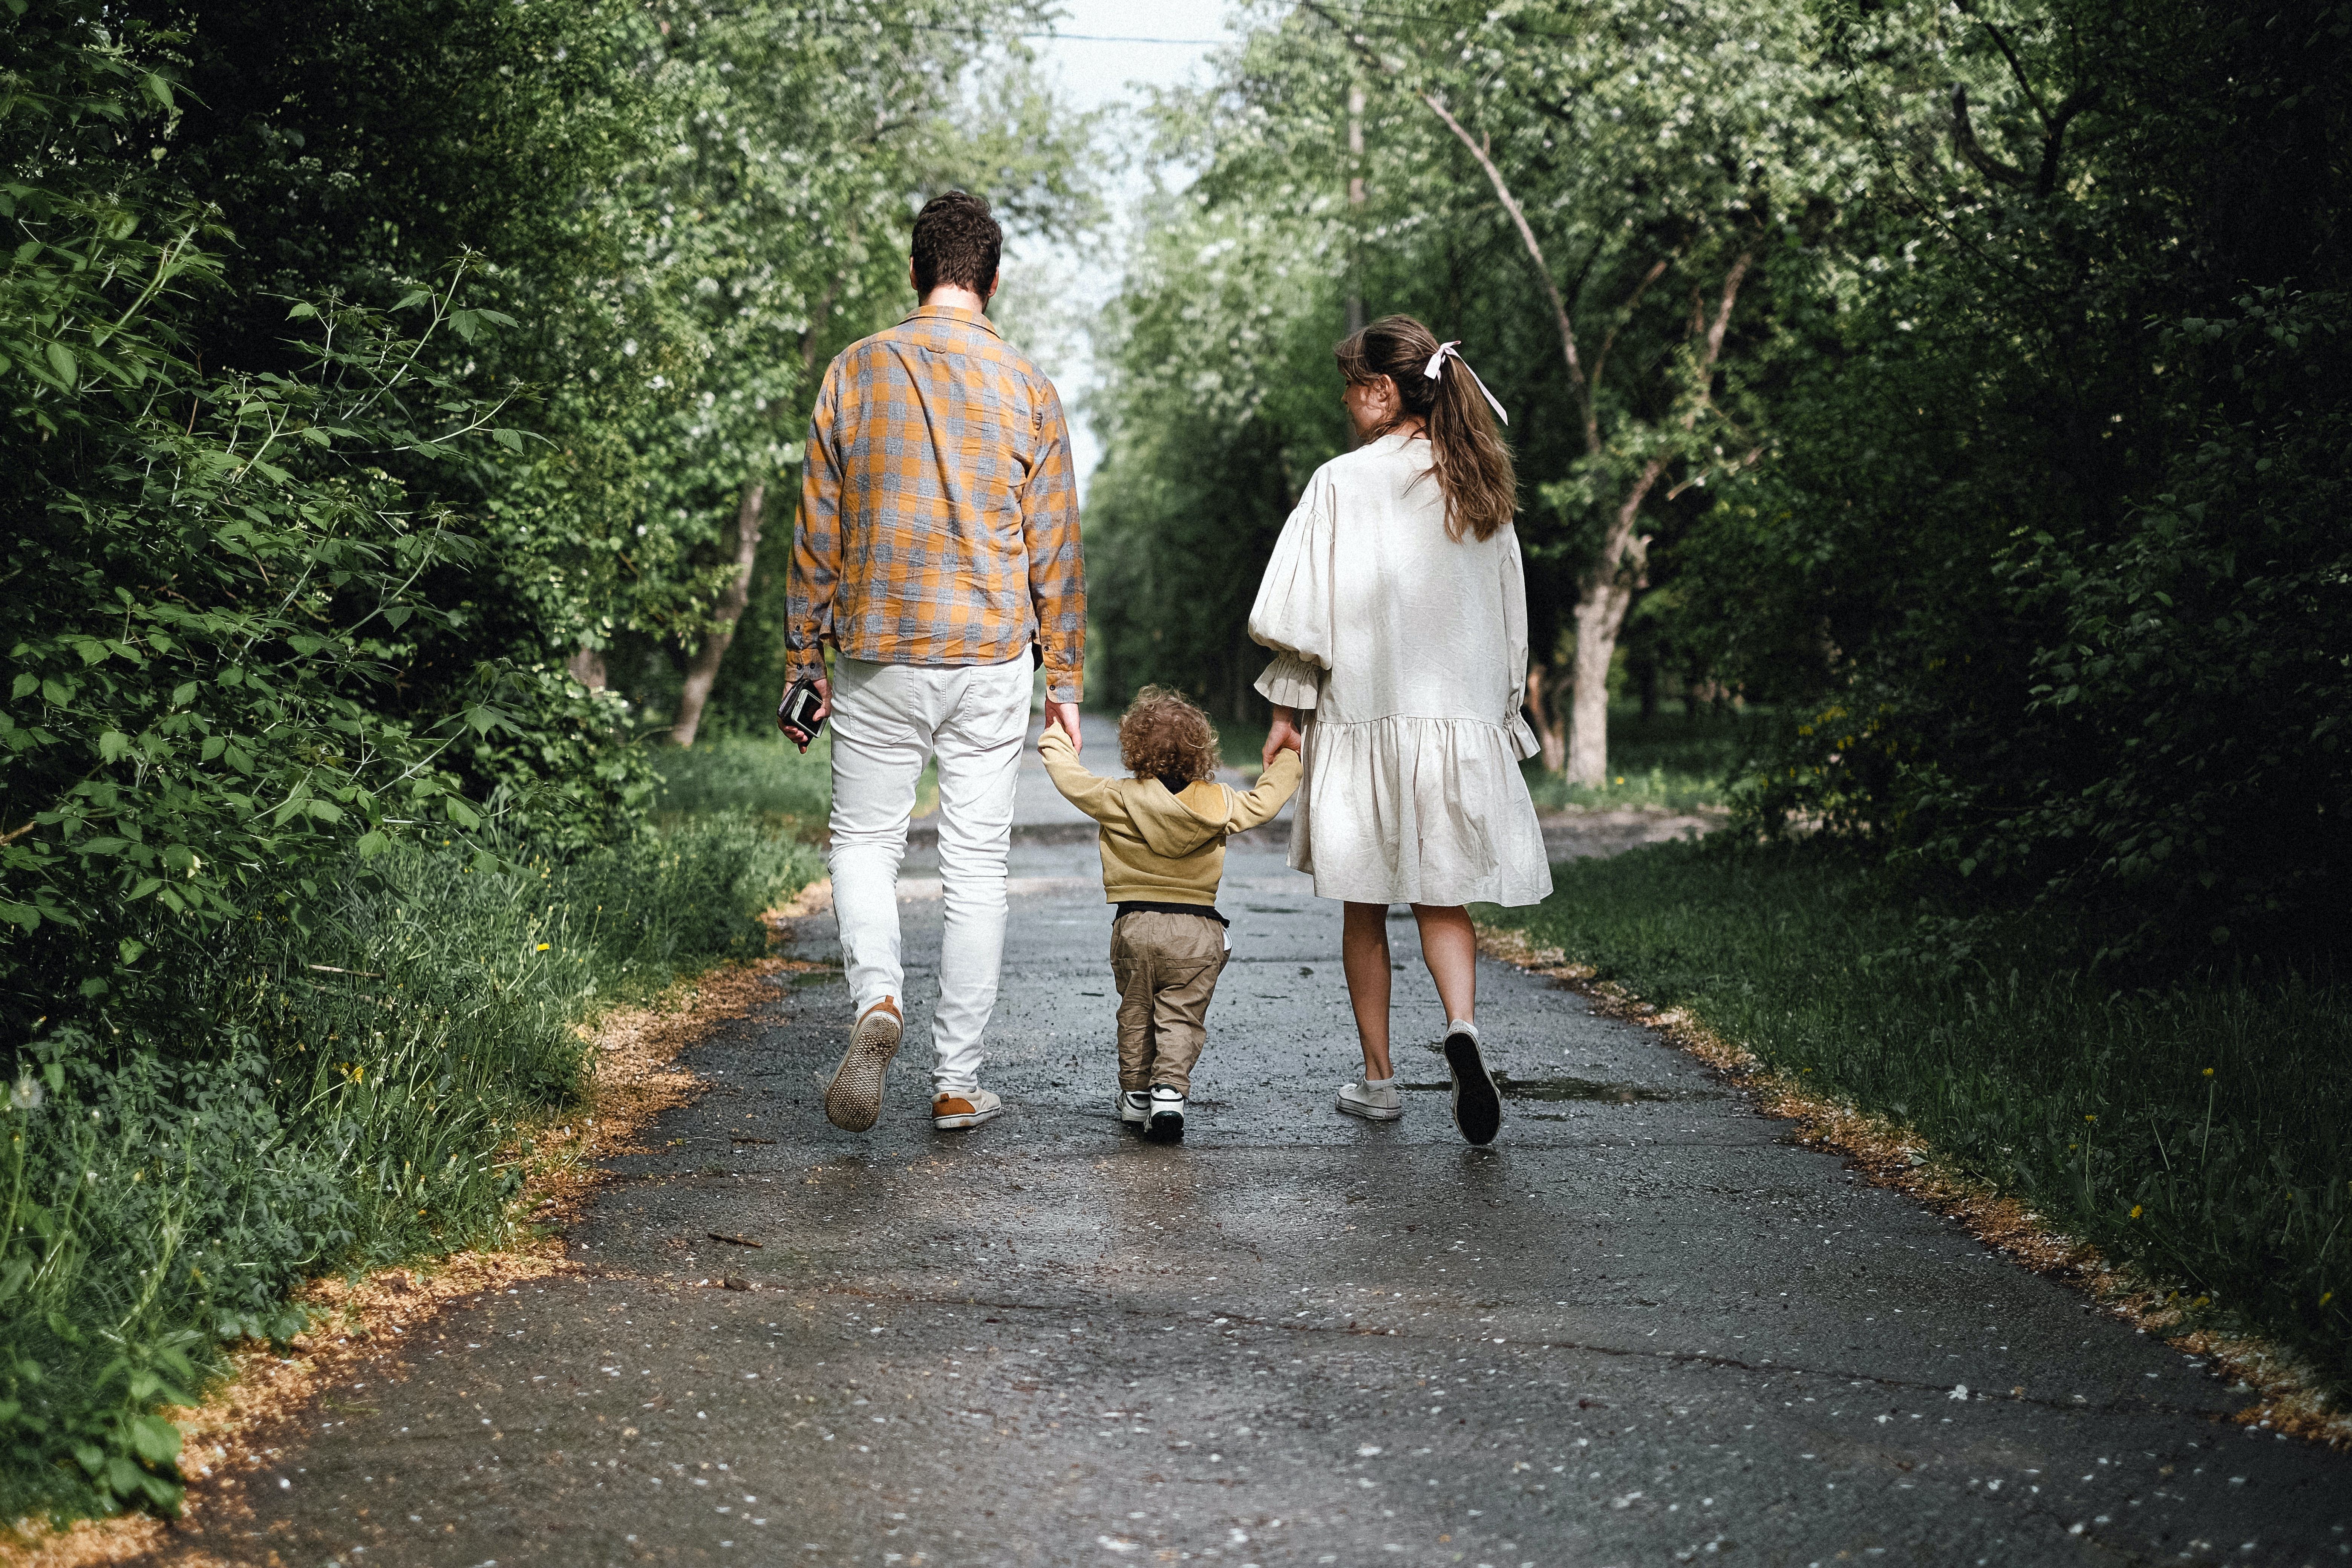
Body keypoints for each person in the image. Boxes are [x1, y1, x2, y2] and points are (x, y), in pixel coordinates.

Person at [781, 190, 1085, 1135]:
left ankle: (879, 1001)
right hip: (991, 655)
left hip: (875, 651)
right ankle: (956, 1081)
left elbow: (815, 530)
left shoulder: (854, 371)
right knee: (975, 867)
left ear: (914, 273)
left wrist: (804, 657)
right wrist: (1063, 680)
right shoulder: (1029, 387)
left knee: (864, 842)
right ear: (991, 282)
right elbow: (1057, 547)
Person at [1246, 314, 1551, 1146]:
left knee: (1364, 905)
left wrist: (1285, 714)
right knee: (1441, 895)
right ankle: (1462, 1026)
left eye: (1352, 386)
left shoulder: (1341, 483)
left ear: (1382, 392)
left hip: (1363, 718)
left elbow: (1302, 618)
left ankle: (1380, 1080)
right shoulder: (1479, 483)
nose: (1347, 403)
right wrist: (1500, 715)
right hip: (1453, 722)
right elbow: (1509, 617)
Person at [1038, 687, 1302, 1142]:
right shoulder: (1218, 803)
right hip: (1197, 929)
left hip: (1135, 925)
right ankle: (1168, 1096)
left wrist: (1056, 735)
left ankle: (1136, 1094)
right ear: (1203, 751)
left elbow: (1070, 778)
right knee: (1180, 1014)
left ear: (1134, 748)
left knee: (1136, 1010)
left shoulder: (1118, 797)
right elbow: (1265, 802)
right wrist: (1290, 761)